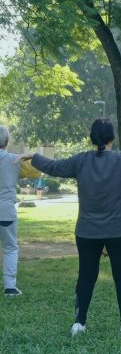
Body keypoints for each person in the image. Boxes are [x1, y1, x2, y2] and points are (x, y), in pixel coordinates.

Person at [19, 119, 121, 338]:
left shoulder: (81, 160)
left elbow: (54, 167)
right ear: (111, 138)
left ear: (92, 138)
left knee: (86, 277)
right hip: (119, 231)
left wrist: (35, 156)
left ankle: (79, 324)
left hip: (87, 231)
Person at [0, 125, 41, 296]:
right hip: (6, 211)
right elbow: (36, 172)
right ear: (7, 142)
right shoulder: (14, 160)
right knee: (10, 248)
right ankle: (10, 286)